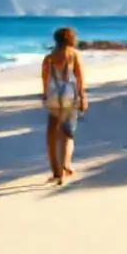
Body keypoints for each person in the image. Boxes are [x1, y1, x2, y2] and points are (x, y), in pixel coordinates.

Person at [41, 26, 87, 185]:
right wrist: (83, 97)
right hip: (69, 95)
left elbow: (45, 79)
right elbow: (80, 78)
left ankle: (55, 171)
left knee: (51, 134)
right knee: (67, 134)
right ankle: (65, 165)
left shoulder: (49, 58)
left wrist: (45, 95)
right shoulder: (73, 55)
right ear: (70, 39)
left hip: (53, 95)